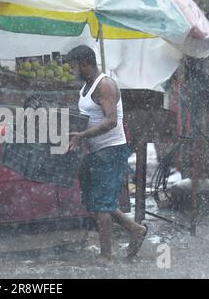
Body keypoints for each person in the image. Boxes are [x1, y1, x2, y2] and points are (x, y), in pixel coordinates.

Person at [67, 45, 147, 266]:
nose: (72, 71)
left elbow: (111, 121)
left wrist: (82, 134)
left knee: (102, 205)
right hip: (95, 151)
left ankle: (106, 256)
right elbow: (87, 115)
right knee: (96, 201)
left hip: (111, 151)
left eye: (74, 67)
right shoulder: (85, 87)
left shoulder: (104, 85)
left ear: (85, 64)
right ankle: (135, 229)